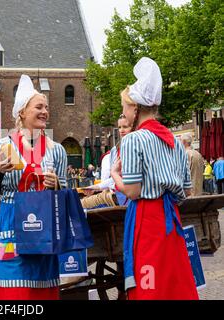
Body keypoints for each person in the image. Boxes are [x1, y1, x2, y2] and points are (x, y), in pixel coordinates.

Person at [110, 57, 198, 300]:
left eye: (125, 107)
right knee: (172, 282)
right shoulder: (174, 141)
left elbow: (132, 192)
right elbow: (187, 192)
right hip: (171, 219)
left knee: (148, 283)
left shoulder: (133, 140)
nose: (123, 112)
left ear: (136, 107)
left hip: (147, 219)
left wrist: (115, 175)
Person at [0, 74, 67, 300]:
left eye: (46, 107)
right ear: (22, 112)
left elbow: (65, 195)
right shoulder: (0, 147)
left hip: (43, 229)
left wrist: (56, 185)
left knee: (41, 292)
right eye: (39, 106)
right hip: (11, 225)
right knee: (14, 292)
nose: (45, 112)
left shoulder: (56, 150)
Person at [81, 114, 133, 209]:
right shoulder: (115, 150)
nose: (121, 130)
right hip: (117, 196)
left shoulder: (135, 148)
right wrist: (95, 187)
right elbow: (114, 178)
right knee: (82, 207)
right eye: (119, 127)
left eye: (125, 127)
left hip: (129, 198)